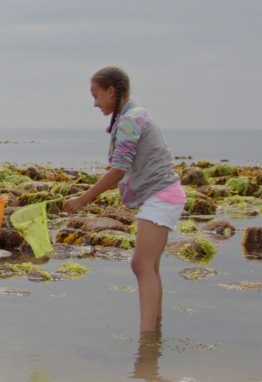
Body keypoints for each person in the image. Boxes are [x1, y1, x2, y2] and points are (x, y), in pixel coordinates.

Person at [63, 66, 186, 334]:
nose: (95, 103)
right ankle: (155, 330)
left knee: (140, 265)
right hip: (163, 194)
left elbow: (118, 169)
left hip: (162, 195)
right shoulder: (134, 115)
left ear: (112, 91)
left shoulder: (131, 119)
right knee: (150, 266)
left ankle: (147, 339)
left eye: (96, 95)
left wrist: (83, 199)